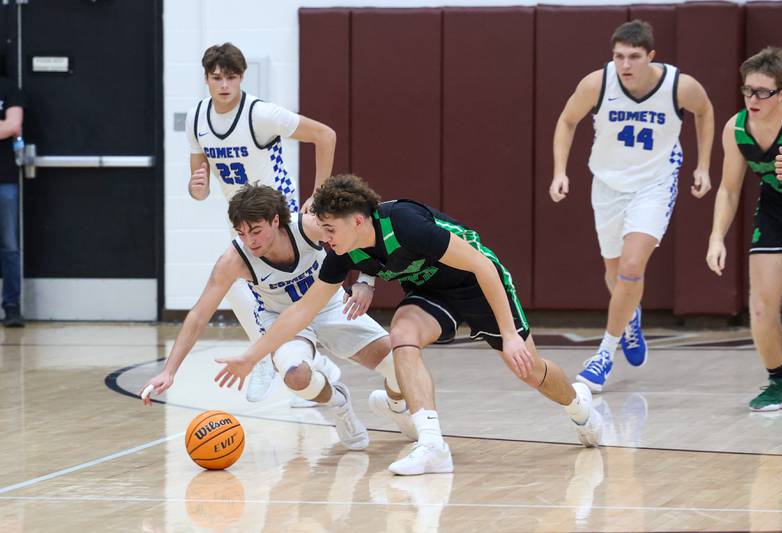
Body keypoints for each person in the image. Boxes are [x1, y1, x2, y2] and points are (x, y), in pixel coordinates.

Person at [214, 174, 603, 476]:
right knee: (402, 334)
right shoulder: (341, 251)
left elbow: (483, 266)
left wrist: (510, 335)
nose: (324, 239)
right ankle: (433, 446)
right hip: (431, 292)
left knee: (529, 370)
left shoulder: (405, 224)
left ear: (358, 220)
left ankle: (579, 406)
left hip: (478, 285)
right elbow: (301, 311)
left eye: (330, 230)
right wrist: (252, 356)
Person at [141, 185, 413, 449]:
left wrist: (366, 280)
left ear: (275, 221)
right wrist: (169, 371)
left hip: (329, 305)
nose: (250, 241)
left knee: (398, 365)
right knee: (296, 377)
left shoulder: (307, 227)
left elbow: (363, 235)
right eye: (242, 233)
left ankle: (395, 406)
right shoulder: (234, 260)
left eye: (256, 231)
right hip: (281, 320)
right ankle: (338, 404)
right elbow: (199, 315)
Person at [549, 20, 714, 391]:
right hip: (607, 185)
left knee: (632, 265)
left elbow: (705, 112)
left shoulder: (679, 86)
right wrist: (560, 171)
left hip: (654, 185)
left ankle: (604, 354)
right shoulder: (597, 83)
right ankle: (631, 318)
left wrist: (703, 165)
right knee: (615, 274)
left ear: (650, 56)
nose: (626, 65)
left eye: (634, 57)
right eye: (619, 56)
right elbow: (566, 120)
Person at [187, 42, 341, 403]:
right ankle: (264, 355)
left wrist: (318, 196)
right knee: (238, 289)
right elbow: (199, 187)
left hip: (279, 217)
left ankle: (302, 356)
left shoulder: (261, 114)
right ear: (207, 80)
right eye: (216, 78)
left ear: (241, 77)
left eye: (231, 77)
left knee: (303, 289)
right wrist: (195, 187)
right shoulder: (197, 118)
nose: (224, 85)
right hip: (241, 219)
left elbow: (325, 135)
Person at [706, 46, 782, 412]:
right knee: (760, 307)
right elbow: (729, 189)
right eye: (747, 90)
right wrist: (717, 236)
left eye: (762, 92)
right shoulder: (736, 128)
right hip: (776, 212)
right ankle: (779, 383)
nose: (752, 98)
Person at [0, 75, 25, 328]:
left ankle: (11, 306)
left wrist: (6, 127)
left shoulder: (9, 89)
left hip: (3, 181)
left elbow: (12, 125)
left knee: (8, 245)